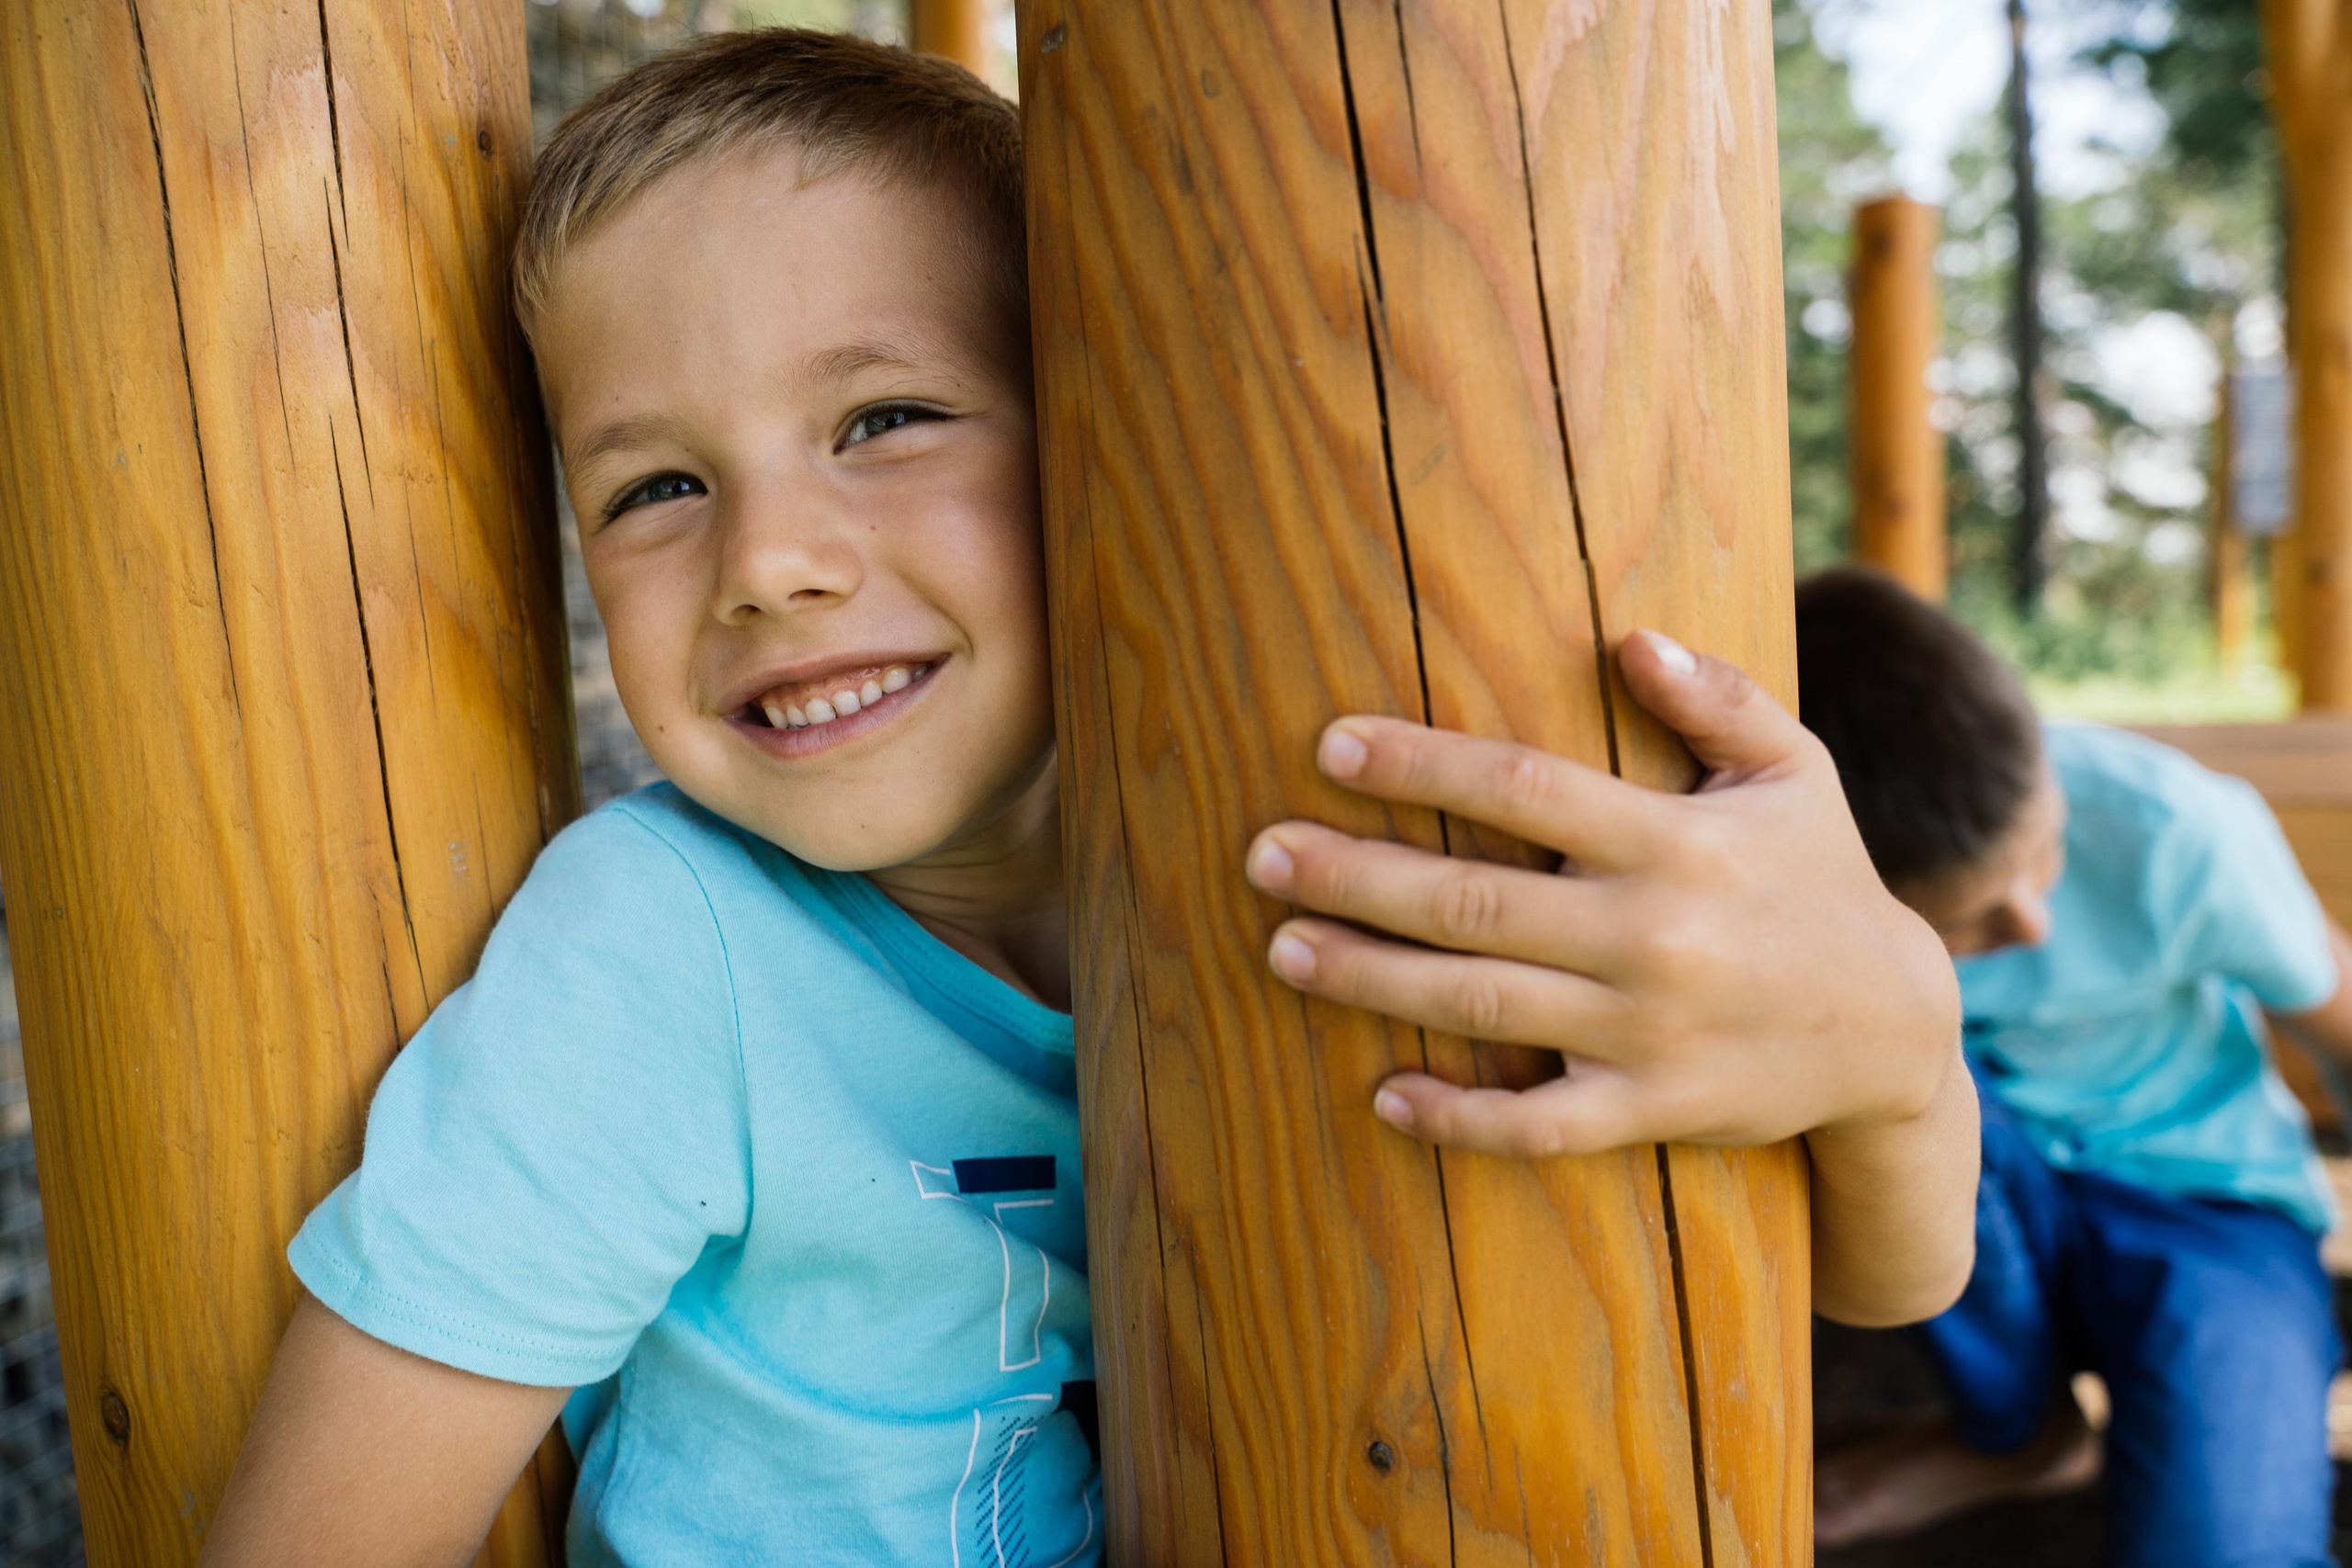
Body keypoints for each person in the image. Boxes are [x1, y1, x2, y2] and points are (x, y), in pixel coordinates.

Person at [197, 34, 1977, 1566]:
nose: (772, 562)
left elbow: (1871, 1285)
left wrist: (1892, 1037)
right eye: (655, 483)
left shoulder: (1294, 855)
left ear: (1107, 444)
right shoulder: (667, 950)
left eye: (885, 419)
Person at [1800, 566, 2352, 1567]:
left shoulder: (2180, 832)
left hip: (2209, 1200)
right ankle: (2015, 1435)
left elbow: (2340, 1022)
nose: (2034, 923)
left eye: (2045, 854)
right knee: (1894, 1048)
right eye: (1972, 917)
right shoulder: (1812, 899)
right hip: (1978, 1183)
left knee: (2225, 1547)